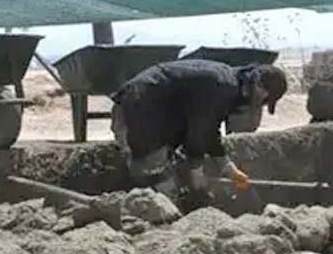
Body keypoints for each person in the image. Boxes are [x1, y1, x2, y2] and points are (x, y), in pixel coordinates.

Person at [111, 59, 288, 196]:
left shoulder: (229, 82)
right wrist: (196, 173)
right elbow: (199, 132)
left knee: (167, 172)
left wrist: (227, 167)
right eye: (265, 100)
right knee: (163, 187)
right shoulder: (223, 87)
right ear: (260, 88)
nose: (261, 105)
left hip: (146, 106)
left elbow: (209, 130)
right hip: (139, 108)